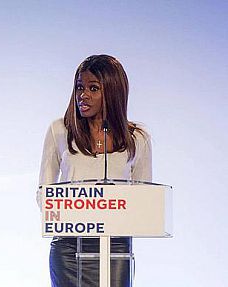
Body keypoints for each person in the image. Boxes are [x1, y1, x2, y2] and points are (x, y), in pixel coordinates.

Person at [37, 55, 152, 287]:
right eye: (80, 87)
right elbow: (44, 193)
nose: (83, 95)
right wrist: (76, 212)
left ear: (112, 91)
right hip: (69, 248)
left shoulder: (137, 138)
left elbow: (145, 198)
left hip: (116, 247)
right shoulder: (60, 130)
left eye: (93, 88)